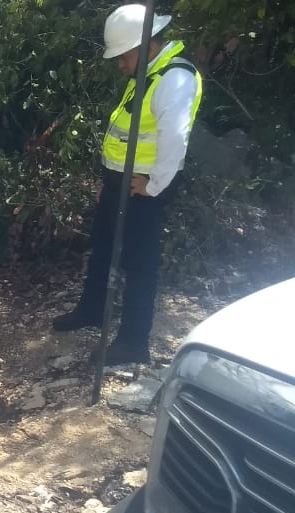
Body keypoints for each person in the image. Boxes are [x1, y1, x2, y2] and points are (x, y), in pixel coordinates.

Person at [53, 6, 202, 365]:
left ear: (144, 46)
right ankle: (91, 310)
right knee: (103, 248)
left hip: (142, 189)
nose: (120, 64)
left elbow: (175, 138)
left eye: (123, 56)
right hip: (120, 181)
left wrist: (155, 186)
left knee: (140, 264)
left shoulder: (174, 78)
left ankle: (134, 342)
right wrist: (109, 178)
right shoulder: (149, 74)